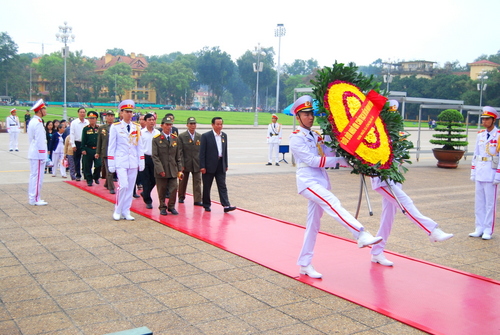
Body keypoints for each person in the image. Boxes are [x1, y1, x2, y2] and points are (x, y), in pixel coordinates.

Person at [289, 95, 382, 279]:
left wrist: (351, 156)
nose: (310, 117)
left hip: (320, 181)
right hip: (308, 182)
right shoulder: (296, 138)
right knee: (332, 201)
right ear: (297, 117)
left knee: (313, 226)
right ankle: (360, 234)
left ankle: (304, 263)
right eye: (305, 114)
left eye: (311, 113)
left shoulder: (316, 135)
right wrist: (339, 160)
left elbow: (330, 152)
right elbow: (312, 160)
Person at [108, 100, 145, 221]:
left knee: (130, 188)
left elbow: (139, 146)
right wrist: (111, 163)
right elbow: (111, 146)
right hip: (121, 160)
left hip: (133, 161)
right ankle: (118, 209)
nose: (129, 114)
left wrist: (141, 161)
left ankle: (126, 210)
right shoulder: (116, 127)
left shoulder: (137, 127)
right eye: (127, 112)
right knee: (123, 186)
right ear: (121, 113)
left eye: (131, 112)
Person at [470, 106, 500, 240]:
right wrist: (473, 172)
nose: (484, 122)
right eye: (483, 119)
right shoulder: (480, 135)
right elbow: (475, 154)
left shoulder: (498, 135)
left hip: (491, 172)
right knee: (479, 202)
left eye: (487, 119)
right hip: (481, 171)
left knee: (490, 204)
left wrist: (498, 175)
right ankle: (479, 227)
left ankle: (488, 229)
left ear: (493, 120)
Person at [199, 117, 236, 213]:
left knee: (222, 185)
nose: (219, 126)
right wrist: (202, 166)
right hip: (208, 165)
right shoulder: (206, 136)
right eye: (217, 124)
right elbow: (201, 153)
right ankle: (206, 204)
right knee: (207, 186)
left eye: (221, 124)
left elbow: (225, 151)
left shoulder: (224, 136)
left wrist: (225, 164)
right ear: (212, 125)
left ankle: (226, 205)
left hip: (220, 164)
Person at [152, 116, 182, 216]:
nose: (169, 127)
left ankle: (171, 206)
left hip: (173, 169)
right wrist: (160, 169)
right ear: (162, 126)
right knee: (162, 190)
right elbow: (155, 156)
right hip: (162, 169)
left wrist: (180, 169)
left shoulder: (175, 138)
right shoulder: (156, 139)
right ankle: (162, 207)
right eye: (167, 125)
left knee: (174, 189)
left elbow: (178, 156)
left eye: (170, 125)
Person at [28, 99, 48, 206]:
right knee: (37, 177)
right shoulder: (38, 123)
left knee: (34, 176)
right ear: (40, 110)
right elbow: (40, 141)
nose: (46, 111)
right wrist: (43, 155)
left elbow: (31, 139)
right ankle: (35, 198)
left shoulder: (33, 121)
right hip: (38, 154)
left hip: (33, 151)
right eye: (44, 109)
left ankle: (33, 197)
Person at [178, 117, 203, 206]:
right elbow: (180, 151)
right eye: (191, 124)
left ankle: (197, 199)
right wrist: (181, 164)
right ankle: (181, 197)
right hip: (186, 162)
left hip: (196, 163)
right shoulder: (182, 136)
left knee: (197, 182)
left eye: (194, 124)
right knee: (183, 181)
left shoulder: (199, 137)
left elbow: (202, 151)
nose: (192, 125)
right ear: (187, 125)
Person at [140, 113, 160, 209]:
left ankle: (145, 193)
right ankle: (148, 200)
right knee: (146, 180)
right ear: (145, 121)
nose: (152, 121)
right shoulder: (141, 133)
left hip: (155, 158)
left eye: (153, 120)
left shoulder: (158, 133)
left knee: (154, 179)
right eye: (149, 120)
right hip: (144, 158)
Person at [96, 111, 116, 194]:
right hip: (106, 151)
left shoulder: (117, 126)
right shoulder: (102, 128)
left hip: (115, 151)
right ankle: (111, 187)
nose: (110, 117)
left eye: (112, 116)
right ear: (106, 117)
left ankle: (107, 183)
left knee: (112, 170)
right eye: (108, 116)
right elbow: (99, 141)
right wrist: (98, 152)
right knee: (109, 170)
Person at [81, 111, 102, 187]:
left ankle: (96, 177)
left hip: (97, 150)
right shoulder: (86, 129)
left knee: (99, 165)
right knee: (87, 166)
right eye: (90, 118)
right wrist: (83, 149)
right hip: (88, 149)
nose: (92, 120)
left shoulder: (99, 128)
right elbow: (83, 139)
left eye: (93, 118)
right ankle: (89, 180)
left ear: (96, 119)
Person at [70, 107, 89, 181]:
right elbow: (72, 134)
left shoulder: (87, 122)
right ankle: (78, 174)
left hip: (85, 143)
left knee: (85, 160)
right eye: (81, 112)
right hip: (77, 142)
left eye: (83, 112)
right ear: (78, 113)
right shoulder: (74, 122)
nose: (82, 113)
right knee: (77, 160)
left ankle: (86, 174)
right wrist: (73, 144)